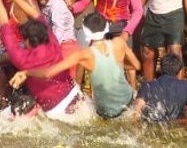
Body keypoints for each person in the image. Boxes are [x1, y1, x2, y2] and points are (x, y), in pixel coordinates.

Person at [10, 12, 140, 119]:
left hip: (106, 112)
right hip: (128, 101)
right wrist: (115, 65)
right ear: (107, 27)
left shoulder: (83, 55)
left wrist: (26, 72)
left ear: (86, 32)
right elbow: (137, 65)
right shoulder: (119, 42)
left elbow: (47, 73)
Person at [0, 0, 81, 119]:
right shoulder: (52, 40)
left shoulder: (22, 59)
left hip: (56, 110)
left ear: (27, 41)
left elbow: (3, 22)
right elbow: (35, 14)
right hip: (75, 96)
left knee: (8, 119)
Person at [72, 0, 143, 87]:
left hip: (122, 21)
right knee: (90, 53)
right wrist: (70, 8)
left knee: (126, 56)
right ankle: (81, 90)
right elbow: (84, 3)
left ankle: (133, 91)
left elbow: (138, 10)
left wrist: (126, 32)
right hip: (101, 21)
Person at [134, 53, 187, 122]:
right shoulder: (185, 86)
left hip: (153, 127)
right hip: (176, 127)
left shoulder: (147, 86)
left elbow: (135, 114)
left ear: (161, 69)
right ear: (179, 71)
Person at [31, 0, 79, 78]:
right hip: (57, 45)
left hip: (66, 46)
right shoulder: (45, 4)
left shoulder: (57, 5)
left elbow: (59, 29)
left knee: (69, 82)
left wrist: (50, 51)